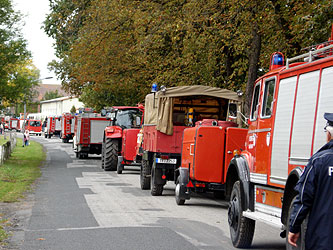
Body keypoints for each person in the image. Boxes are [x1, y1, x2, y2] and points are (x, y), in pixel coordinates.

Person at [288, 112, 333, 250]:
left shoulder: (319, 160)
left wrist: (294, 227)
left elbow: (304, 198)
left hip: (323, 239)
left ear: (329, 135)